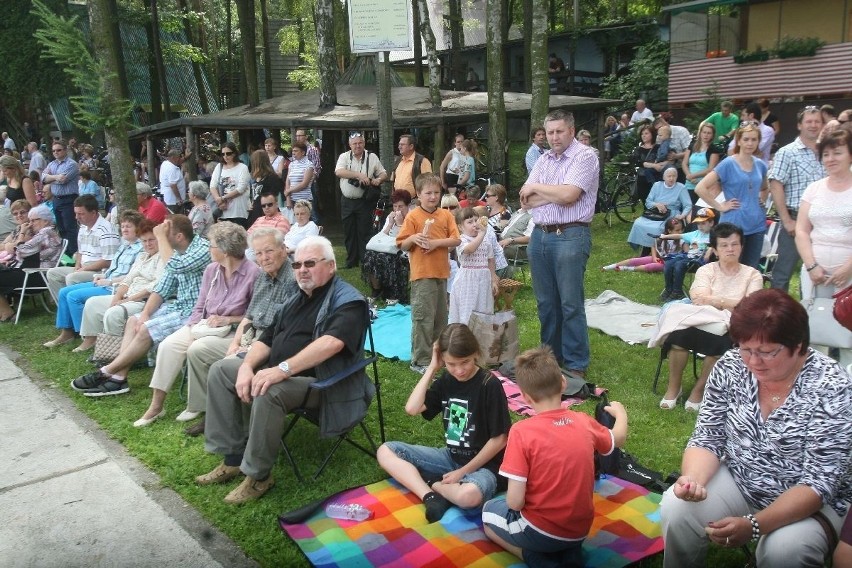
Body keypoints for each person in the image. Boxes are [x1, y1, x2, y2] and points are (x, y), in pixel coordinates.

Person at [660, 288, 852, 568]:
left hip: (811, 501)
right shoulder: (730, 365)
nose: (752, 361)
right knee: (677, 508)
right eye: (745, 349)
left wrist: (754, 525)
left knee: (785, 551)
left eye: (766, 352)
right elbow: (707, 437)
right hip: (742, 478)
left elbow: (818, 484)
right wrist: (693, 481)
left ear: (798, 345)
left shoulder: (832, 387)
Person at [195, 236, 373, 504]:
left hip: (323, 382)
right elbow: (267, 337)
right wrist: (246, 366)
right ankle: (233, 458)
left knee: (270, 390)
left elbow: (332, 343)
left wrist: (282, 369)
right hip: (280, 371)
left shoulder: (348, 300)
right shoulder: (297, 297)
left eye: (310, 263)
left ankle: (258, 476)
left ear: (331, 266)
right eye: (298, 264)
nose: (302, 270)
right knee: (222, 370)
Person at [482, 345, 627, 566]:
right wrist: (621, 413)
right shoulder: (584, 421)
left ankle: (534, 558)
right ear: (563, 383)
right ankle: (568, 554)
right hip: (579, 531)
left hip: (540, 530)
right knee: (559, 538)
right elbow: (617, 439)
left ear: (524, 397)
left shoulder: (522, 433)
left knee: (487, 514)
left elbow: (514, 501)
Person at [377, 323, 511, 523]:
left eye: (464, 362)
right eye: (451, 364)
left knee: (468, 497)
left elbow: (499, 439)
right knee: (385, 451)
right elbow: (412, 409)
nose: (459, 370)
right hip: (452, 458)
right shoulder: (447, 381)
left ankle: (435, 484)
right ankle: (431, 497)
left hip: (486, 466)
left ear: (475, 353)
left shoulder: (488, 384)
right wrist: (432, 368)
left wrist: (462, 472)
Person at [134, 222, 260, 427]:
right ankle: (156, 405)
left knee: (197, 349)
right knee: (169, 344)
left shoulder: (252, 273)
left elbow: (254, 315)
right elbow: (201, 304)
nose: (208, 248)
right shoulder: (212, 270)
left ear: (225, 250)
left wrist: (228, 319)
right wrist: (192, 326)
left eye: (211, 245)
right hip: (205, 325)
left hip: (233, 331)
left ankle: (198, 405)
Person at [70, 215, 210, 397]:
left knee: (144, 329)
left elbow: (175, 267)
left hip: (197, 312)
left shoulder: (202, 249)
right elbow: (161, 289)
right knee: (133, 321)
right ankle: (119, 378)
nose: (159, 241)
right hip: (178, 307)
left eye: (162, 236)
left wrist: (161, 238)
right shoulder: (175, 252)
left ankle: (106, 372)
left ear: (179, 237)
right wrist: (144, 314)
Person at [178, 227, 296, 436]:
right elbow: (249, 316)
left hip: (270, 344)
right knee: (198, 351)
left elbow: (282, 331)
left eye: (269, 251)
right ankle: (208, 410)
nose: (264, 258)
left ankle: (227, 423)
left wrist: (245, 349)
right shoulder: (263, 277)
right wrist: (235, 344)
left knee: (224, 367)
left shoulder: (293, 280)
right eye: (258, 253)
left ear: (283, 249)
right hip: (250, 337)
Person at [520, 109, 598, 377]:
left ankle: (576, 364)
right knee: (546, 303)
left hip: (571, 235)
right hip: (539, 235)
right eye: (550, 132)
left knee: (570, 303)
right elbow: (525, 198)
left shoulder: (585, 156)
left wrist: (542, 190)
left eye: (559, 131)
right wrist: (555, 193)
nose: (554, 137)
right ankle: (550, 358)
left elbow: (569, 194)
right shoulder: (543, 160)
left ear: (571, 131)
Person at [656, 223, 762, 411]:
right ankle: (674, 388)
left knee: (722, 343)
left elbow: (750, 306)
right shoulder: (706, 270)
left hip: (731, 325)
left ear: (742, 247)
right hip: (700, 318)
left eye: (735, 244)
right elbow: (697, 298)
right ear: (715, 250)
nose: (730, 249)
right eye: (724, 245)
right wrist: (732, 301)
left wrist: (715, 299)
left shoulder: (753, 275)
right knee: (678, 336)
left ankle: (699, 390)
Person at [45, 211, 143, 349]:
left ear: (138, 228)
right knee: (64, 292)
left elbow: (133, 276)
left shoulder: (141, 249)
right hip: (106, 281)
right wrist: (103, 276)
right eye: (123, 226)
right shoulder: (124, 245)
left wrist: (109, 281)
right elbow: (114, 267)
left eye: (129, 226)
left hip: (116, 287)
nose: (124, 229)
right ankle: (67, 332)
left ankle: (88, 337)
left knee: (73, 297)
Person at [795, 126, 852, 360]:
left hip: (848, 276)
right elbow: (801, 229)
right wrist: (811, 265)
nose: (830, 159)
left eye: (837, 152)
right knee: (816, 333)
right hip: (815, 275)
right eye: (826, 154)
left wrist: (848, 268)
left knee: (847, 336)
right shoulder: (814, 189)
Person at [396, 173, 461, 374]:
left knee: (440, 318)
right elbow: (401, 244)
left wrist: (435, 244)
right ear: (418, 194)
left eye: (436, 192)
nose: (433, 197)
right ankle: (420, 360)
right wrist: (414, 238)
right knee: (423, 317)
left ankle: (436, 354)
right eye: (428, 193)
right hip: (422, 275)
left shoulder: (446, 215)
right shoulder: (413, 217)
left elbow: (456, 240)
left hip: (442, 274)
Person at [78, 219, 163, 352]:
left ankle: (116, 352)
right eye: (144, 241)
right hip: (128, 295)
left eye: (151, 240)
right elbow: (127, 280)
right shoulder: (142, 256)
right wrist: (117, 297)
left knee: (114, 313)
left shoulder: (163, 257)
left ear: (159, 239)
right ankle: (91, 340)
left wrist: (127, 300)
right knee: (92, 303)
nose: (148, 244)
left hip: (144, 300)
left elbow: (154, 286)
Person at [695, 123, 768, 270]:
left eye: (754, 140)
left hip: (756, 225)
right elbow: (700, 187)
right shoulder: (728, 163)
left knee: (750, 271)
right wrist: (720, 206)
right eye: (746, 139)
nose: (750, 143)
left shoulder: (761, 165)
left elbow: (765, 187)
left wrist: (762, 199)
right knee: (730, 268)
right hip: (733, 226)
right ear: (739, 140)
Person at [768, 105, 825, 292]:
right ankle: (780, 316)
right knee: (783, 273)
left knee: (817, 270)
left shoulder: (827, 152)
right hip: (794, 220)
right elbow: (776, 185)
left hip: (821, 222)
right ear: (800, 125)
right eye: (809, 121)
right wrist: (786, 221)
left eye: (817, 121)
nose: (813, 125)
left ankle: (811, 311)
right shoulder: (788, 152)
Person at [46, 194, 120, 303]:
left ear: (93, 213)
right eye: (76, 213)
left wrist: (83, 269)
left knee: (72, 278)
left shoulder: (106, 230)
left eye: (81, 214)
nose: (76, 217)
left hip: (100, 271)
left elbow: (108, 261)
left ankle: (75, 306)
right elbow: (80, 251)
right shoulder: (83, 227)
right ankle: (64, 306)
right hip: (83, 267)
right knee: (52, 273)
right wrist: (77, 266)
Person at [335, 131, 388, 269]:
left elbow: (384, 173)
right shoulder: (344, 156)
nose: (357, 146)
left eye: (360, 143)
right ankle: (351, 261)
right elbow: (339, 172)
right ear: (349, 145)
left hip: (364, 201)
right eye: (354, 144)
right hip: (347, 200)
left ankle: (365, 260)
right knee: (349, 231)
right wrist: (359, 175)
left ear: (364, 143)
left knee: (365, 231)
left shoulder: (372, 157)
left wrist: (378, 179)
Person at [0, 204, 62, 322]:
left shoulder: (45, 233)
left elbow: (20, 250)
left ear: (45, 221)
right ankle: (5, 311)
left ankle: (6, 311)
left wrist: (22, 233)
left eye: (34, 220)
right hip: (31, 273)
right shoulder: (45, 233)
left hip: (36, 276)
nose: (31, 223)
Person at [449, 208, 498, 325]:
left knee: (484, 308)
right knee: (468, 309)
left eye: (476, 220)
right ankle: (465, 335)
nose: (475, 224)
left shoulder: (485, 240)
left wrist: (493, 278)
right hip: (467, 281)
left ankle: (482, 336)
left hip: (484, 279)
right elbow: (470, 249)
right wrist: (481, 234)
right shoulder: (461, 240)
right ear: (461, 227)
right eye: (470, 222)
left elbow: (490, 259)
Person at [361, 190, 411, 304]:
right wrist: (389, 224)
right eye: (395, 206)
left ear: (408, 206)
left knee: (386, 258)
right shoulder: (391, 217)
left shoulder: (412, 217)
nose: (397, 209)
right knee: (370, 256)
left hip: (405, 250)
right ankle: (376, 289)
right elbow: (381, 236)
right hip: (389, 248)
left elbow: (408, 240)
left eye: (401, 206)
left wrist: (399, 224)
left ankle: (394, 292)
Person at [627, 167, 691, 253]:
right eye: (669, 176)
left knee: (658, 228)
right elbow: (648, 202)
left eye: (674, 176)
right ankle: (646, 247)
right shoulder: (657, 185)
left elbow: (688, 205)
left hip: (672, 213)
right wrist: (657, 205)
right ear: (664, 177)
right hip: (655, 212)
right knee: (638, 223)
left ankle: (655, 250)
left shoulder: (681, 187)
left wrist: (682, 215)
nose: (671, 178)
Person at [658, 207, 716, 302]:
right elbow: (679, 236)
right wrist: (664, 237)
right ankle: (669, 289)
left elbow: (717, 244)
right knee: (668, 264)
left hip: (699, 261)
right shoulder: (695, 233)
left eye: (703, 223)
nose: (700, 226)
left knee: (679, 265)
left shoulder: (714, 235)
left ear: (711, 223)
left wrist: (710, 249)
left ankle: (677, 292)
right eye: (698, 224)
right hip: (688, 257)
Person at [41, 140, 80, 254]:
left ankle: (74, 253)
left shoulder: (71, 164)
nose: (56, 152)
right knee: (61, 228)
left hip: (69, 199)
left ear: (65, 150)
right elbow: (43, 178)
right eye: (54, 151)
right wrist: (56, 177)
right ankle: (66, 253)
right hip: (56, 199)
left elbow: (63, 180)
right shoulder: (52, 164)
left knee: (70, 228)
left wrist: (51, 178)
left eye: (59, 150)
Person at [604, 217, 684, 273]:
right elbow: (653, 245)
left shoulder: (682, 240)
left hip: (668, 264)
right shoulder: (663, 237)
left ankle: (628, 269)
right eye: (677, 230)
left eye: (681, 229)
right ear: (669, 231)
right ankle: (611, 266)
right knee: (637, 260)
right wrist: (654, 257)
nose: (680, 232)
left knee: (652, 266)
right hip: (660, 259)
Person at [210, 142, 251, 228]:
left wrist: (223, 198)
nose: (225, 156)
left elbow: (241, 189)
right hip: (223, 211)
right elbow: (212, 186)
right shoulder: (219, 167)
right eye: (223, 154)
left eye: (228, 153)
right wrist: (218, 200)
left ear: (234, 153)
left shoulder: (242, 167)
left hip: (238, 211)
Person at [682, 123, 721, 204]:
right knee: (688, 209)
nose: (706, 135)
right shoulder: (692, 146)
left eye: (709, 133)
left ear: (712, 135)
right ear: (700, 133)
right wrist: (689, 176)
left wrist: (693, 176)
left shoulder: (714, 149)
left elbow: (711, 169)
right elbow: (684, 163)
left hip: (704, 184)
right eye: (704, 132)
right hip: (689, 183)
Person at [246, 149, 283, 226]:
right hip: (254, 211)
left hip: (266, 211)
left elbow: (273, 195)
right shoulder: (254, 178)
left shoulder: (272, 178)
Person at [283, 141, 314, 212]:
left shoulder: (309, 165)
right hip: (292, 199)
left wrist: (289, 191)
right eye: (293, 151)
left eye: (296, 151)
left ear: (303, 152)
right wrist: (288, 199)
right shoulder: (292, 164)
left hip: (304, 200)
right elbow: (288, 181)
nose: (293, 153)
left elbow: (304, 184)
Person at [631, 124, 660, 203]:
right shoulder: (638, 149)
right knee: (645, 200)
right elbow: (637, 162)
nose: (643, 136)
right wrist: (653, 165)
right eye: (642, 134)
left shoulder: (658, 147)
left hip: (655, 177)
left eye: (646, 133)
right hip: (642, 177)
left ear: (652, 134)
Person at [159, 149, 187, 213]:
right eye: (178, 157)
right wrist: (179, 199)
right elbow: (173, 185)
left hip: (168, 197)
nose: (179, 159)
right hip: (173, 200)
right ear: (172, 157)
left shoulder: (165, 163)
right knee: (177, 218)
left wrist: (185, 157)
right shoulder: (172, 168)